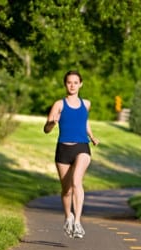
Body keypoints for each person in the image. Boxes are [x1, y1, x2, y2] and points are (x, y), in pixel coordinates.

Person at [44, 70, 99, 238]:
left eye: (76, 82)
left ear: (81, 84)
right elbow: (46, 129)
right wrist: (52, 124)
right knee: (66, 190)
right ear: (65, 84)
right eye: (69, 82)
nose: (72, 85)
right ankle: (69, 216)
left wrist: (91, 136)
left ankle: (78, 222)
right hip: (63, 149)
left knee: (76, 182)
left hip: (82, 147)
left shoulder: (86, 104)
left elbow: (84, 121)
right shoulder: (59, 105)